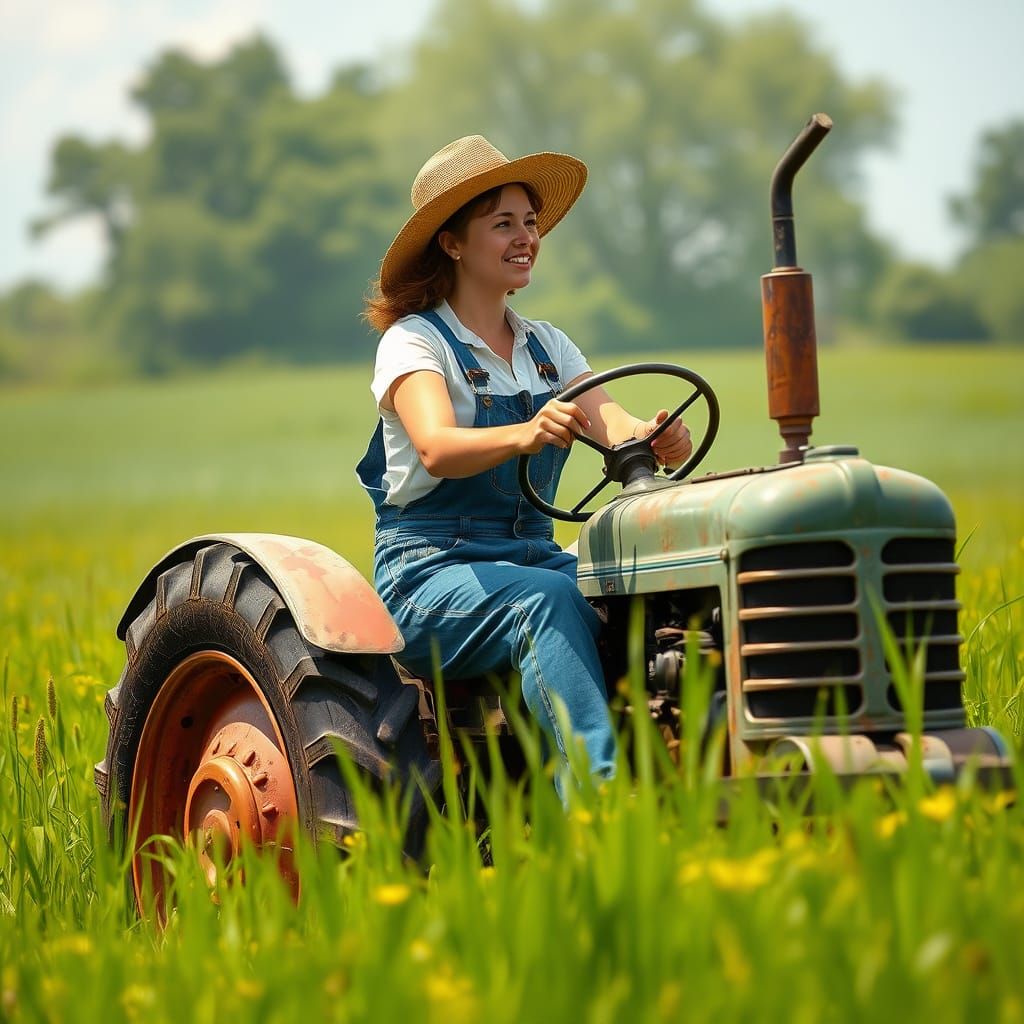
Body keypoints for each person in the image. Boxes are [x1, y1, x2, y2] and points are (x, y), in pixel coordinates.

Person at [357, 135, 691, 793]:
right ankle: (597, 803)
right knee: (547, 601)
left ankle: (684, 762)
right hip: (429, 574)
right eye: (502, 223)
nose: (525, 238)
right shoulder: (416, 342)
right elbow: (436, 447)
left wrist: (653, 433)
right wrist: (525, 432)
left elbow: (610, 420)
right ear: (453, 243)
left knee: (647, 593)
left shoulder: (547, 347)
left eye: (530, 223)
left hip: (533, 558)